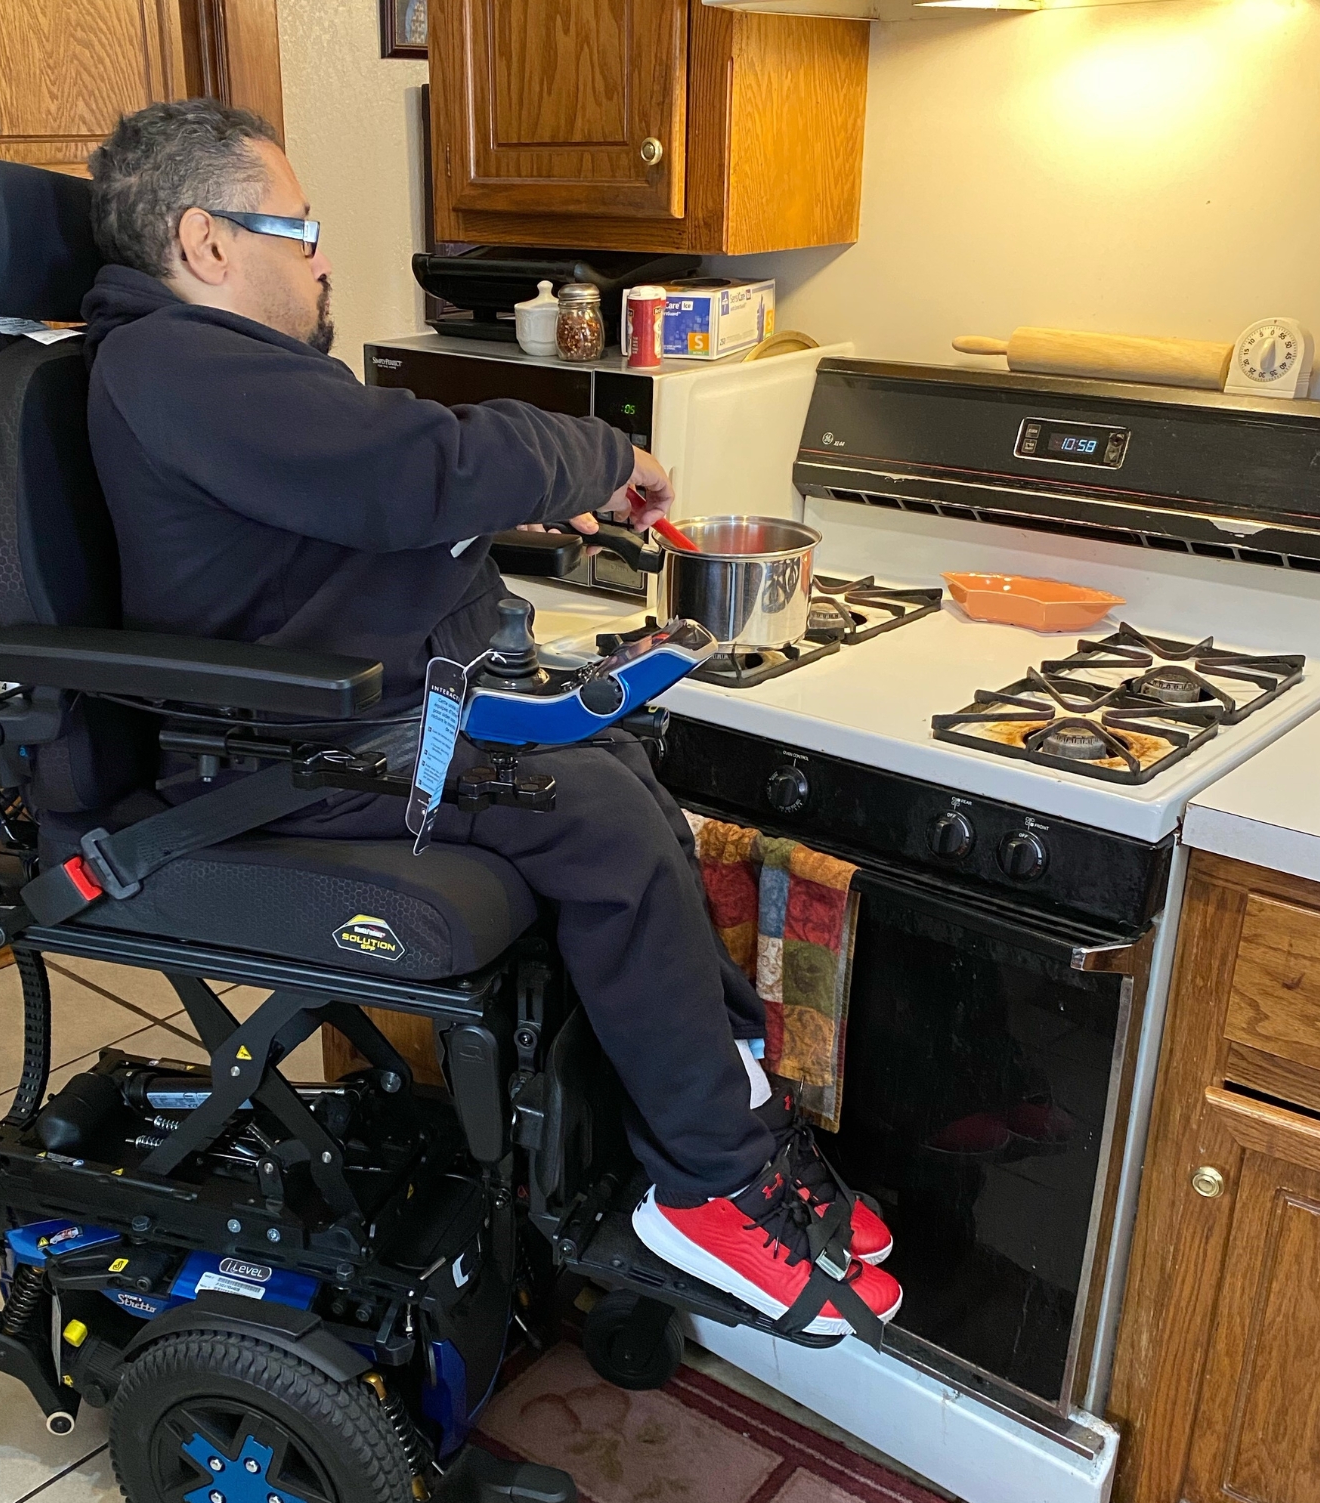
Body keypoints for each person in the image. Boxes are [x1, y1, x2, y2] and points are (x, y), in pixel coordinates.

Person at [80, 99, 900, 1335]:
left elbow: (330, 525)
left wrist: (494, 515)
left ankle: (729, 1118)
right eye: (300, 229)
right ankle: (711, 1185)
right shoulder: (175, 361)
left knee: (621, 767)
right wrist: (596, 457)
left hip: (333, 722)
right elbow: (413, 465)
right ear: (205, 242)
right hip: (273, 759)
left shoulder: (199, 370)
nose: (322, 258)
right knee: (594, 815)